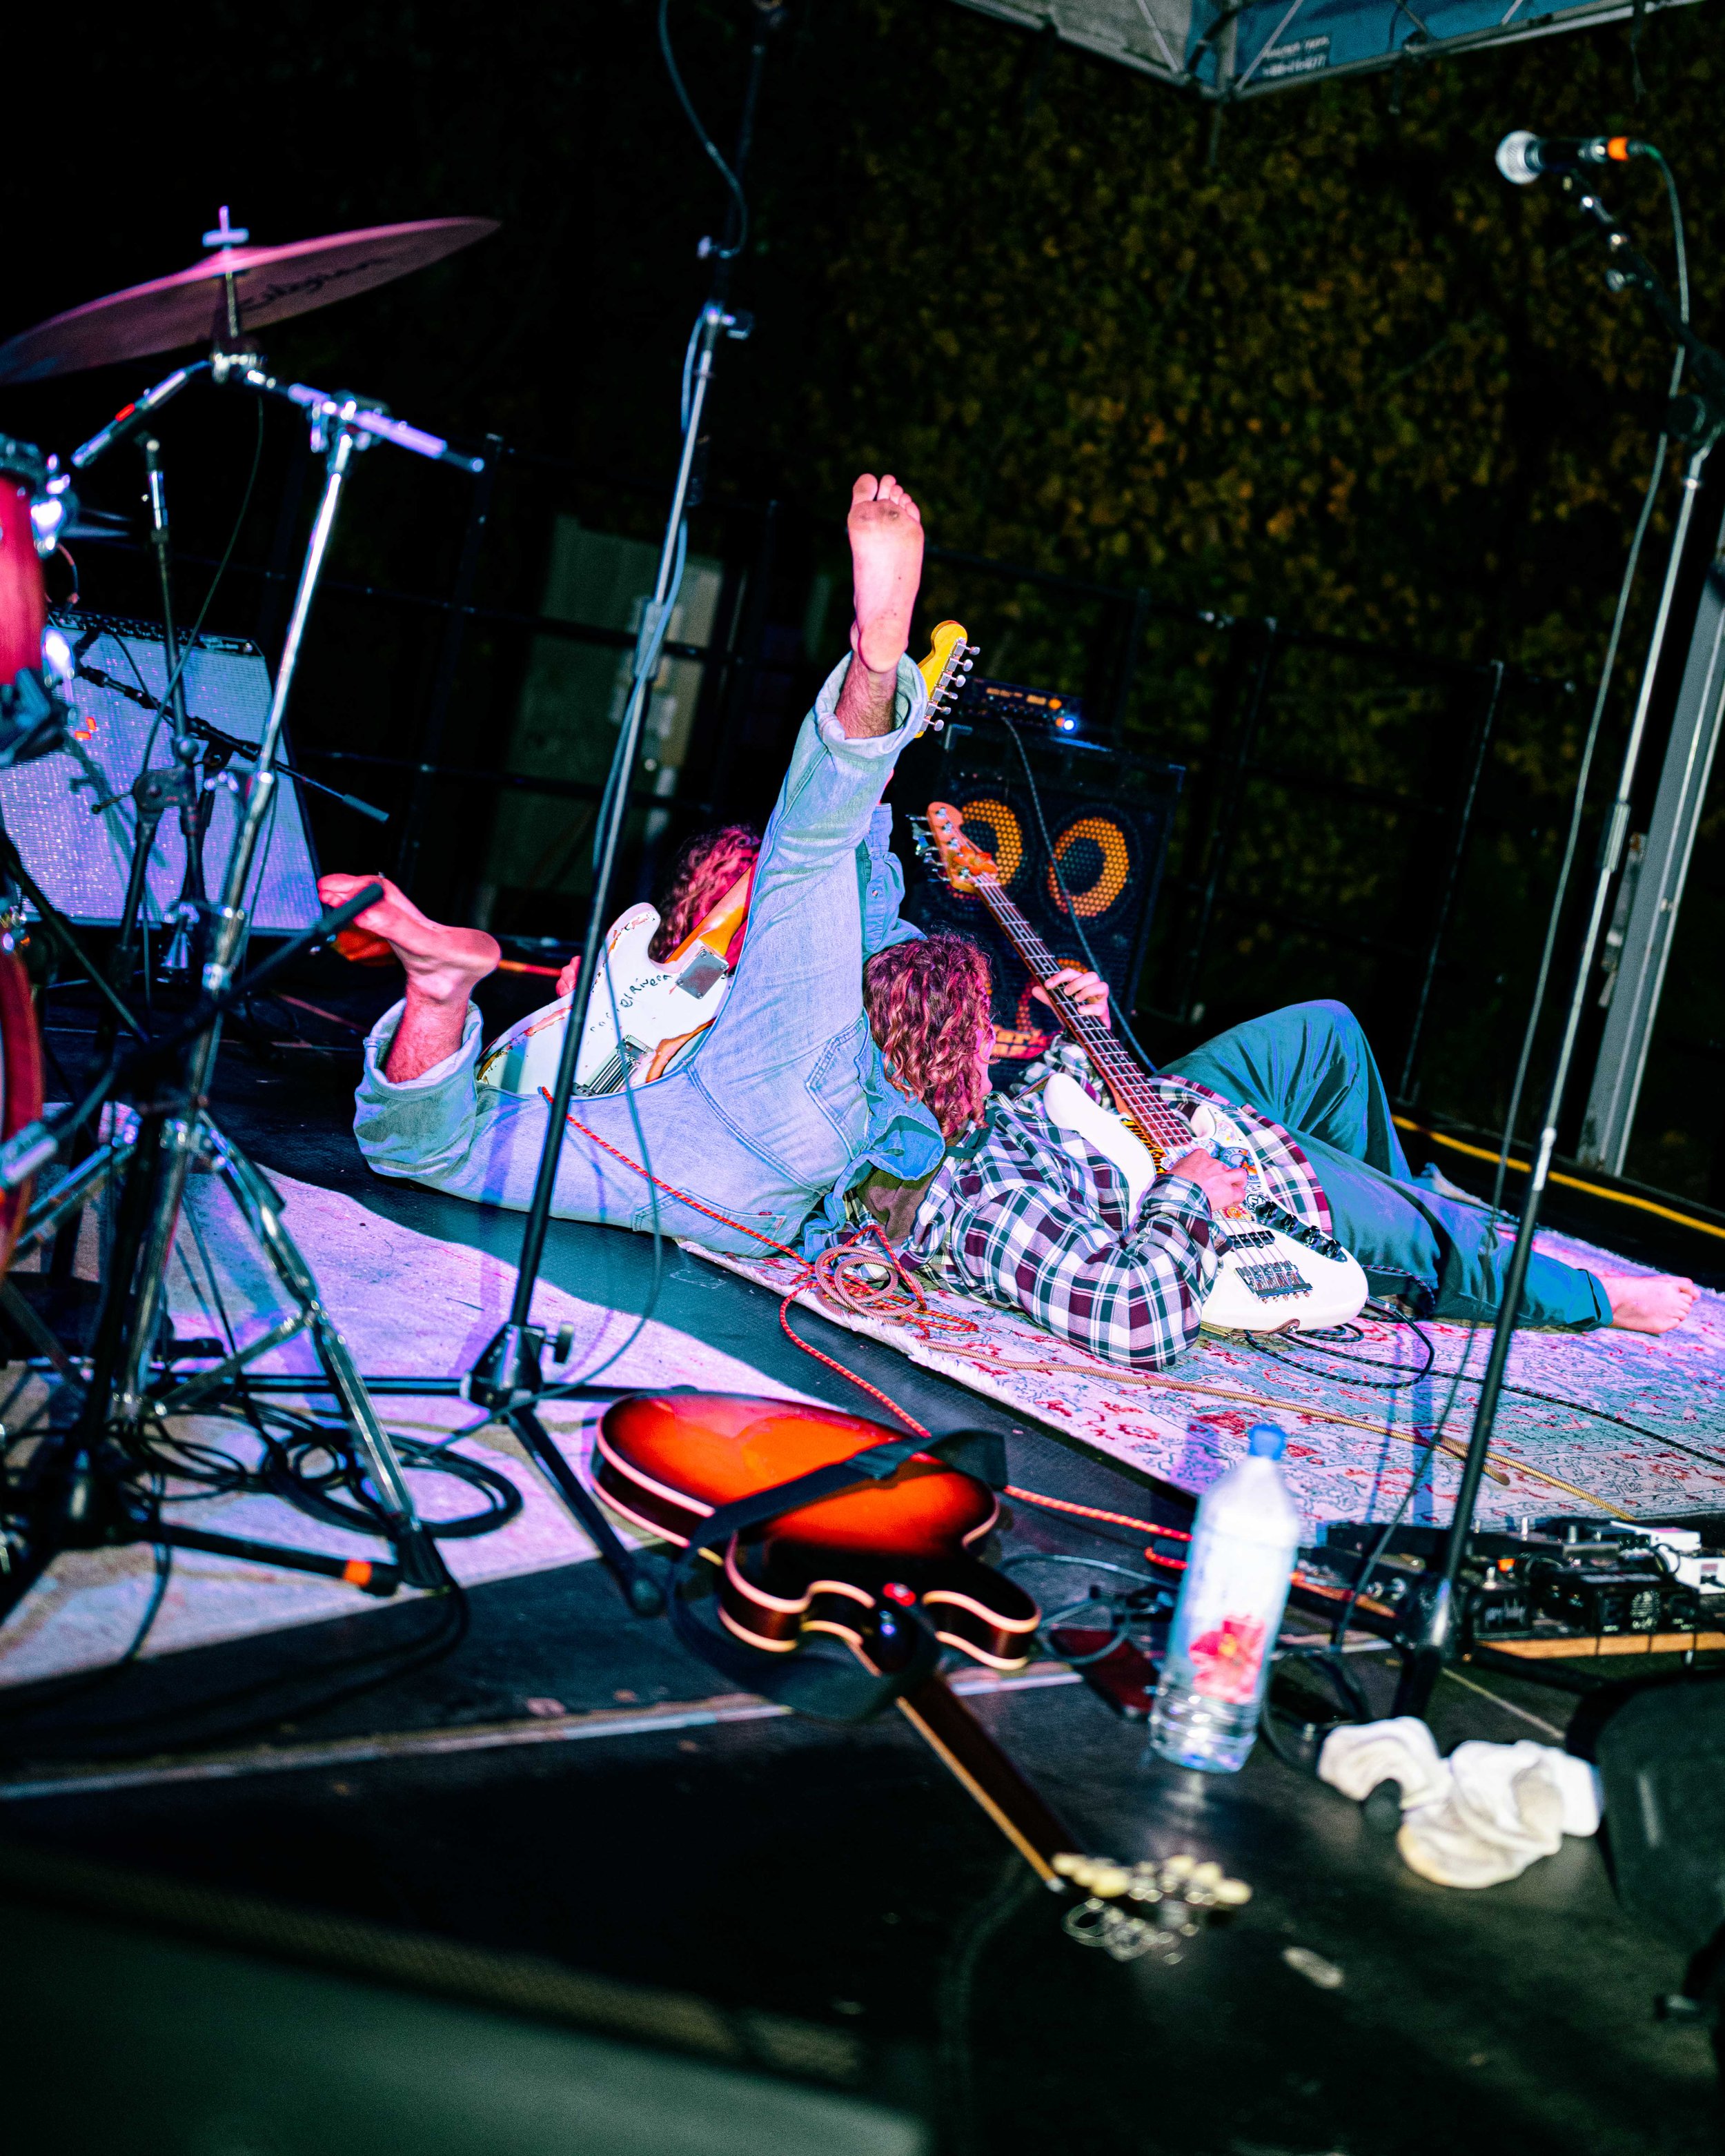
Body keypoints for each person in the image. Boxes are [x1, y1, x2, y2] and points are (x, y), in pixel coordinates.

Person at [323, 471, 1697, 1368]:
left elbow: (829, 874)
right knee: (821, 856)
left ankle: (1381, 1231)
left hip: (1022, 1109)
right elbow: (431, 1146)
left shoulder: (774, 980)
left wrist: (1067, 1038)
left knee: (1322, 1042)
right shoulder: (731, 1042)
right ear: (703, 917)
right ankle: (1484, 1266)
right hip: (861, 1136)